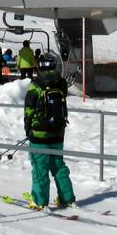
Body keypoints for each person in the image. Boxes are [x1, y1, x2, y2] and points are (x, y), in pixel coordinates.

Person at [23, 57, 75, 210]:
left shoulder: (36, 85)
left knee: (40, 167)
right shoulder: (61, 83)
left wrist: (28, 129)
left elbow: (29, 109)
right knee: (58, 165)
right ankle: (67, 198)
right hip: (58, 132)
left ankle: (39, 201)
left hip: (39, 134)